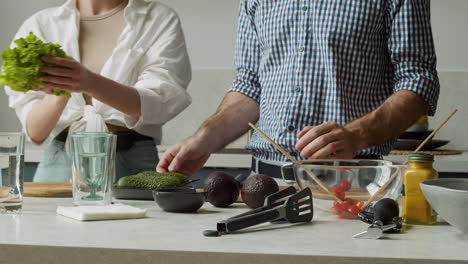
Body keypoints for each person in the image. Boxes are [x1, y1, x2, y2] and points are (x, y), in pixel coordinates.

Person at [157, 0, 440, 182]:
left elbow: (418, 79)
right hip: (263, 185)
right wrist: (204, 138)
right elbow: (250, 84)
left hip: (350, 183)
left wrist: (356, 135)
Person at [5, 0, 192, 182]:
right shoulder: (41, 24)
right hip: (59, 161)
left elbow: (157, 103)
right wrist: (61, 90)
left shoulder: (157, 18)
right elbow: (36, 133)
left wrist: (90, 82)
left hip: (131, 161)